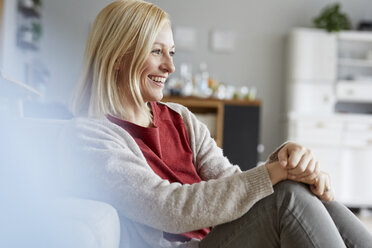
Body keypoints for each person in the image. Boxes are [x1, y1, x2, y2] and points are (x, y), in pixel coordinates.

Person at [60, 0, 372, 247]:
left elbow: (231, 181)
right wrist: (272, 175)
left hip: (222, 237)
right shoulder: (92, 136)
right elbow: (168, 207)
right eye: (156, 52)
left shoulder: (180, 118)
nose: (169, 66)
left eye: (170, 52)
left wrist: (284, 164)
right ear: (117, 57)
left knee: (295, 188)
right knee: (286, 197)